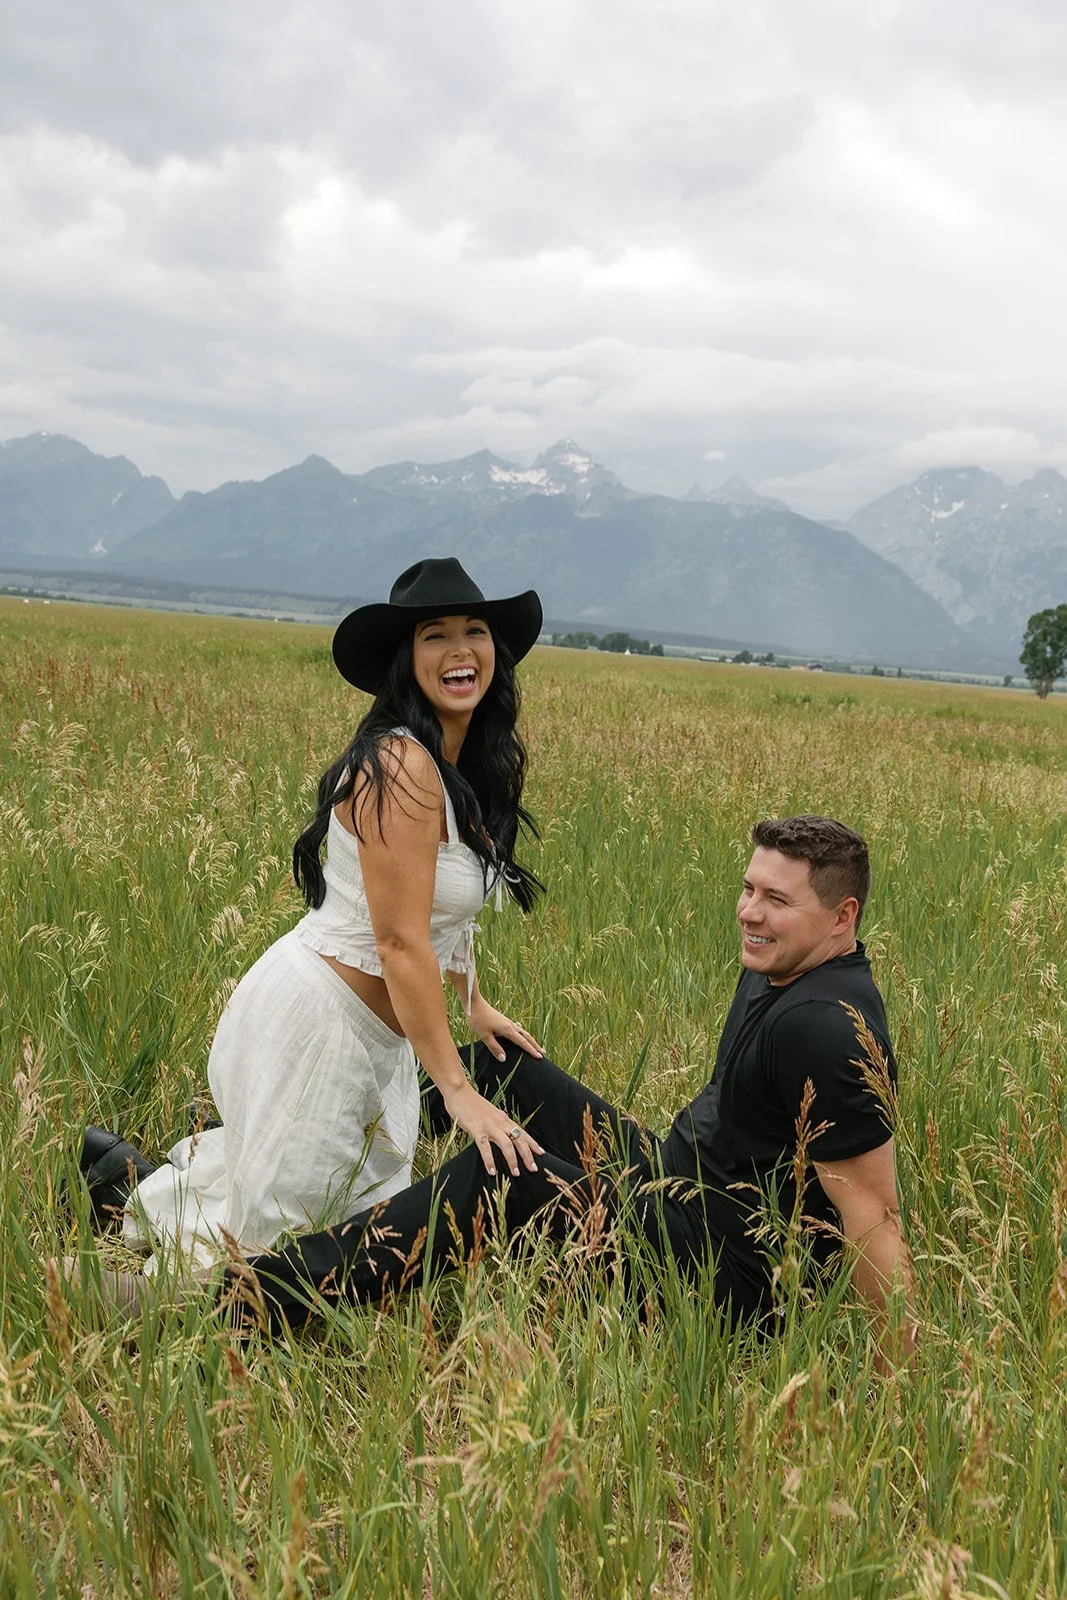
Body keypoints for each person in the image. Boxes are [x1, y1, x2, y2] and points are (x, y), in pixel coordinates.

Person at [237, 815, 915, 1365]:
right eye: (748, 889)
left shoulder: (829, 1031)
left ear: (840, 916)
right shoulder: (778, 964)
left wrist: (896, 1388)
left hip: (719, 1276)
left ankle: (251, 1302)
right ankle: (314, 1134)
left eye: (776, 901)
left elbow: (874, 1219)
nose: (749, 913)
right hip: (675, 1187)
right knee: (508, 1064)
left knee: (501, 1171)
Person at [85, 557, 547, 1276]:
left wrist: (474, 1002)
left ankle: (121, 1181)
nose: (460, 650)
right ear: (405, 659)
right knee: (283, 1255)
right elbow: (397, 942)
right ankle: (122, 1249)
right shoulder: (398, 765)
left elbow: (442, 914)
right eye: (434, 635)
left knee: (346, 1227)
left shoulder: (463, 767)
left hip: (374, 1040)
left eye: (475, 631)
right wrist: (458, 1093)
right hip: (317, 1024)